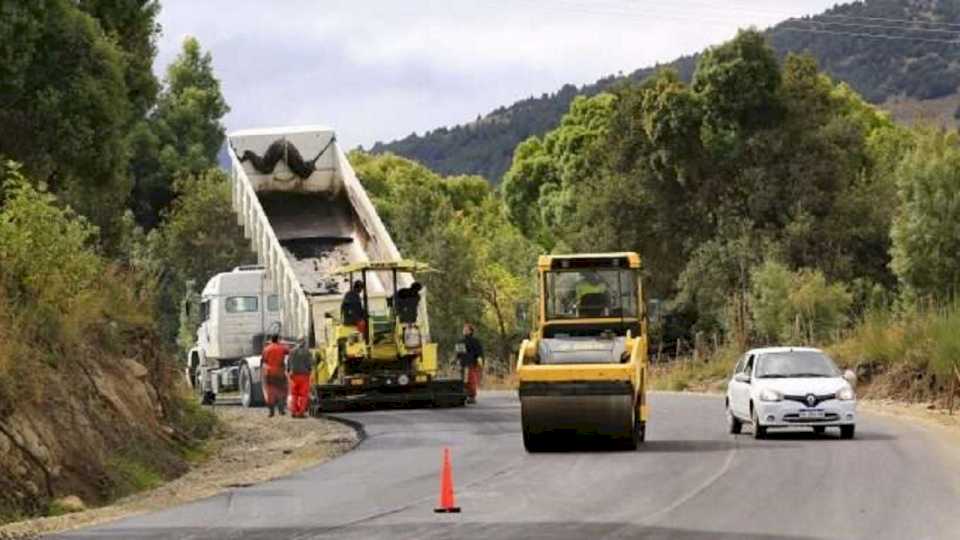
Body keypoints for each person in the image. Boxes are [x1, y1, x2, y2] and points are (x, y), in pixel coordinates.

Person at [261, 334, 290, 417]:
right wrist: (283, 344)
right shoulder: (281, 347)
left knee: (270, 392)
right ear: (278, 339)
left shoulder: (266, 349)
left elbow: (264, 360)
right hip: (279, 372)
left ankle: (271, 412)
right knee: (280, 391)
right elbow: (289, 351)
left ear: (271, 340)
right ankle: (281, 410)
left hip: (269, 373)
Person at [456, 323, 484, 404]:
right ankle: (464, 395)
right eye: (464, 329)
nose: (464, 331)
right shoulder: (460, 341)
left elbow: (479, 352)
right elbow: (458, 353)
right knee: (462, 380)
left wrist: (480, 361)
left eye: (466, 329)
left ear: (471, 331)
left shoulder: (475, 341)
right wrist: (457, 361)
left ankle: (472, 396)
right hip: (463, 363)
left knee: (471, 380)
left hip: (472, 363)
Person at [286, 340, 314, 418]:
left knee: (294, 394)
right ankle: (301, 413)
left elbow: (288, 363)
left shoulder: (291, 351)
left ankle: (293, 412)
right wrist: (310, 370)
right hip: (304, 376)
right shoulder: (307, 352)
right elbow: (311, 363)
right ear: (304, 344)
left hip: (293, 375)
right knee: (303, 395)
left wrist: (289, 371)